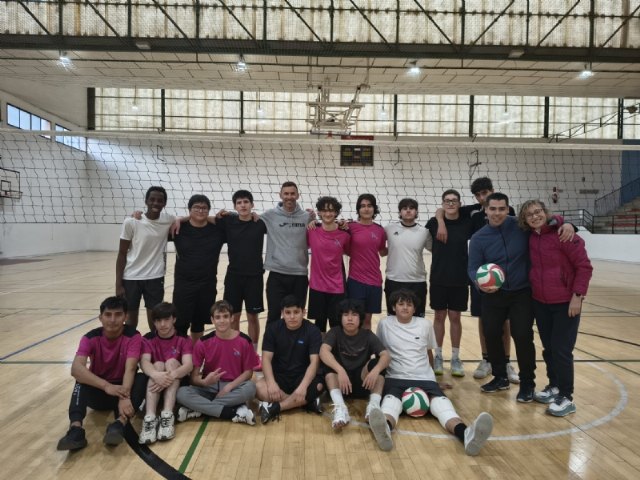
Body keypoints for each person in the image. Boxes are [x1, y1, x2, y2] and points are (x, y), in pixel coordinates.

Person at [373, 290, 493, 455]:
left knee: (443, 406)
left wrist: (434, 380)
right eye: (401, 304)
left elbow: (429, 352)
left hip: (424, 378)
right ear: (393, 307)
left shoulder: (425, 324)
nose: (405, 307)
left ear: (415, 309)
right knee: (391, 403)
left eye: (409, 305)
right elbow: (380, 353)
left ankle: (466, 434)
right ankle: (384, 430)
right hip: (395, 377)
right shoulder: (384, 324)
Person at [434, 177, 519, 382]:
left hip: (504, 275)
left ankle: (507, 362)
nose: (482, 198)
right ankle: (486, 359)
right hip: (480, 274)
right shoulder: (473, 212)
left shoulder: (507, 212)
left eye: (485, 193)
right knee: (483, 318)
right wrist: (440, 223)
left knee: (505, 322)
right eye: (478, 195)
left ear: (492, 191)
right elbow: (443, 209)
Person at [519, 200, 593, 416]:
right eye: (530, 214)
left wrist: (577, 296)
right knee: (549, 349)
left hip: (565, 303)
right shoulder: (530, 237)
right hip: (540, 302)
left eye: (538, 212)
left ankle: (567, 397)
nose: (535, 216)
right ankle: (555, 386)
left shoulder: (564, 234)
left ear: (545, 212)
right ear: (525, 220)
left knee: (561, 350)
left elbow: (584, 267)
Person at [467, 192, 538, 402]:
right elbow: (472, 268)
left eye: (501, 209)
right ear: (485, 210)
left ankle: (528, 383)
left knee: (522, 335)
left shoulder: (521, 226)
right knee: (491, 333)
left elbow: (545, 221)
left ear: (508, 209)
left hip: (521, 292)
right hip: (493, 294)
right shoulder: (478, 238)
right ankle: (500, 377)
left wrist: (565, 223)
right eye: (493, 209)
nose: (497, 213)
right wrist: (480, 283)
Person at [57, 296, 147, 451]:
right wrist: (106, 386)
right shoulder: (90, 337)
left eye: (118, 314)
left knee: (142, 378)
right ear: (100, 317)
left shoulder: (133, 336)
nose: (112, 320)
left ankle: (119, 424)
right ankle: (76, 430)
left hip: (123, 390)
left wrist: (124, 396)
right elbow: (76, 369)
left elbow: (131, 368)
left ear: (125, 317)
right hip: (99, 391)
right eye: (108, 315)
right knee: (81, 379)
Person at [175, 300, 258, 425]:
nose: (222, 321)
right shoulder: (203, 342)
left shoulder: (245, 341)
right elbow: (193, 378)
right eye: (218, 317)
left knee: (251, 388)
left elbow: (248, 373)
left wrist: (230, 386)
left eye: (225, 316)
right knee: (181, 393)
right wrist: (204, 382)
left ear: (232, 318)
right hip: (209, 388)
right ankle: (232, 411)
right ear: (212, 320)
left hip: (234, 388)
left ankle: (200, 409)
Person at [319, 299, 390, 431]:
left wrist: (375, 371)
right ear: (340, 318)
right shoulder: (334, 332)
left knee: (377, 364)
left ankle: (373, 407)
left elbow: (386, 355)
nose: (350, 318)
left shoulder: (367, 335)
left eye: (354, 315)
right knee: (328, 365)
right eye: (346, 315)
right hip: (340, 385)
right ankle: (340, 408)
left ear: (360, 318)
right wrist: (340, 370)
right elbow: (323, 351)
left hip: (362, 384)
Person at [425, 189, 473, 377]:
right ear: (442, 203)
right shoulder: (433, 223)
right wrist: (440, 221)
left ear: (459, 203)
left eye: (454, 200)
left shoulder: (467, 222)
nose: (451, 203)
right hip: (438, 277)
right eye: (447, 200)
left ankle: (455, 357)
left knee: (455, 317)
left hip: (460, 278)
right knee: (439, 316)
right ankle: (438, 356)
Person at [256, 295, 324, 423]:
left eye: (296, 312)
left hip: (302, 377)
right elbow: (266, 359)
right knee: (259, 388)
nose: (292, 317)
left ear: (303, 312)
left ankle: (277, 407)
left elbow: (314, 362)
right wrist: (271, 383)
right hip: (280, 377)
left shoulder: (313, 330)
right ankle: (305, 403)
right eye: (288, 312)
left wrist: (303, 387)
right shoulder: (273, 329)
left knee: (319, 386)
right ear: (282, 313)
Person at [116, 186, 176, 331]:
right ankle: (132, 343)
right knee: (131, 320)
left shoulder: (168, 220)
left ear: (164, 203)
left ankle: (153, 344)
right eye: (152, 199)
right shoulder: (131, 222)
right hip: (131, 277)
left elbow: (187, 219)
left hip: (155, 277)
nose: (155, 203)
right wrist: (118, 284)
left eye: (160, 200)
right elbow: (122, 253)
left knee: (155, 319)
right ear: (146, 201)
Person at [218, 190, 267, 352]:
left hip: (254, 277)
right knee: (234, 316)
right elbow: (207, 219)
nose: (243, 205)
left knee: (253, 316)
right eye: (239, 203)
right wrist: (180, 219)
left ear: (252, 205)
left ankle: (253, 352)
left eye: (246, 202)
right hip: (234, 277)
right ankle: (236, 351)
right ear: (235, 206)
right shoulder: (228, 221)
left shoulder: (260, 223)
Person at [172, 194, 225, 342]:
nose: (200, 210)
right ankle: (181, 352)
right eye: (196, 207)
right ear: (189, 209)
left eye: (204, 208)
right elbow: (154, 223)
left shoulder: (218, 230)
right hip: (184, 285)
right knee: (180, 323)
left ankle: (197, 352)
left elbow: (238, 221)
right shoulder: (177, 229)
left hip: (207, 284)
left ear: (208, 210)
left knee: (199, 322)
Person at [138, 302, 193, 444]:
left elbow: (188, 365)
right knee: (157, 365)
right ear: (154, 322)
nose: (162, 324)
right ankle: (150, 418)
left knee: (171, 362)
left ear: (174, 319)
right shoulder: (148, 338)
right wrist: (156, 375)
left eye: (166, 319)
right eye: (158, 320)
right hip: (156, 382)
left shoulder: (184, 338)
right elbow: (144, 362)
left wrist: (171, 375)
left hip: (177, 382)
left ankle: (167, 416)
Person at [261, 181, 313, 324]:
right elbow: (247, 218)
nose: (289, 197)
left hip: (299, 275)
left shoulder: (307, 217)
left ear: (298, 195)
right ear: (280, 195)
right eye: (286, 193)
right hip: (277, 274)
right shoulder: (270, 215)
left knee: (296, 317)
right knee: (273, 316)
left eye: (292, 194)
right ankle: (271, 340)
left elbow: (323, 227)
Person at [307, 196, 351, 333]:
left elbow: (350, 251)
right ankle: (320, 347)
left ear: (336, 212)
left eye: (331, 210)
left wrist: (344, 224)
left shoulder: (344, 234)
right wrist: (311, 219)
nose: (327, 213)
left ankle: (334, 347)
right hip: (317, 285)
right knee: (319, 324)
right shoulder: (312, 230)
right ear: (319, 212)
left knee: (336, 325)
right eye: (324, 210)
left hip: (337, 286)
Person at [345, 194, 387, 330]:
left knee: (367, 320)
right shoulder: (350, 227)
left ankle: (366, 344)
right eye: (363, 206)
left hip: (375, 281)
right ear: (358, 209)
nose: (366, 209)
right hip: (356, 281)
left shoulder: (380, 230)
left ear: (374, 209)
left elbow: (382, 251)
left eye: (369, 206)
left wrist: (400, 245)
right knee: (355, 319)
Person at [384, 198, 429, 317]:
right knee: (393, 319)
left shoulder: (424, 232)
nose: (408, 210)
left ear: (416, 212)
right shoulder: (389, 229)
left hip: (417, 282)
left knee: (417, 319)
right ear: (400, 212)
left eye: (411, 208)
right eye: (404, 208)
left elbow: (435, 250)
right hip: (394, 280)